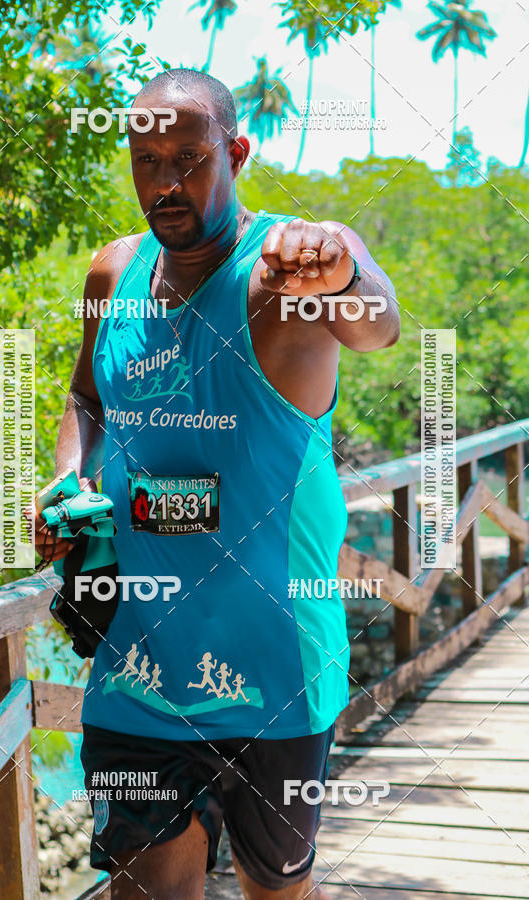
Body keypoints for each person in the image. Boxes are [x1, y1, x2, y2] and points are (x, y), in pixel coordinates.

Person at [33, 68, 399, 900]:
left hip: (275, 677)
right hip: (139, 668)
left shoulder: (284, 272)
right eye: (146, 159)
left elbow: (378, 322)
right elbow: (86, 397)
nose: (164, 181)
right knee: (147, 886)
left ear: (235, 152)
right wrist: (65, 479)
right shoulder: (112, 275)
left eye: (189, 159)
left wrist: (341, 270)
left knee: (279, 891)